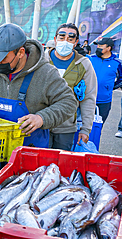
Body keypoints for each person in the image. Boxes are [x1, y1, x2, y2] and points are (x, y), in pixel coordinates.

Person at [45, 23, 97, 151]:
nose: (65, 41)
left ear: (76, 42)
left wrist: (86, 129)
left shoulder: (83, 64)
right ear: (55, 39)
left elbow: (88, 97)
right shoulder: (42, 60)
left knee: (60, 164)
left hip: (66, 126)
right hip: (40, 124)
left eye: (70, 38)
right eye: (61, 37)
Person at [89, 37, 122, 124]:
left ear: (108, 48)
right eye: (98, 45)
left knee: (97, 127)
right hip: (88, 99)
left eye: (101, 46)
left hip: (104, 101)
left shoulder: (118, 62)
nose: (98, 47)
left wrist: (109, 87)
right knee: (82, 126)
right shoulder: (91, 58)